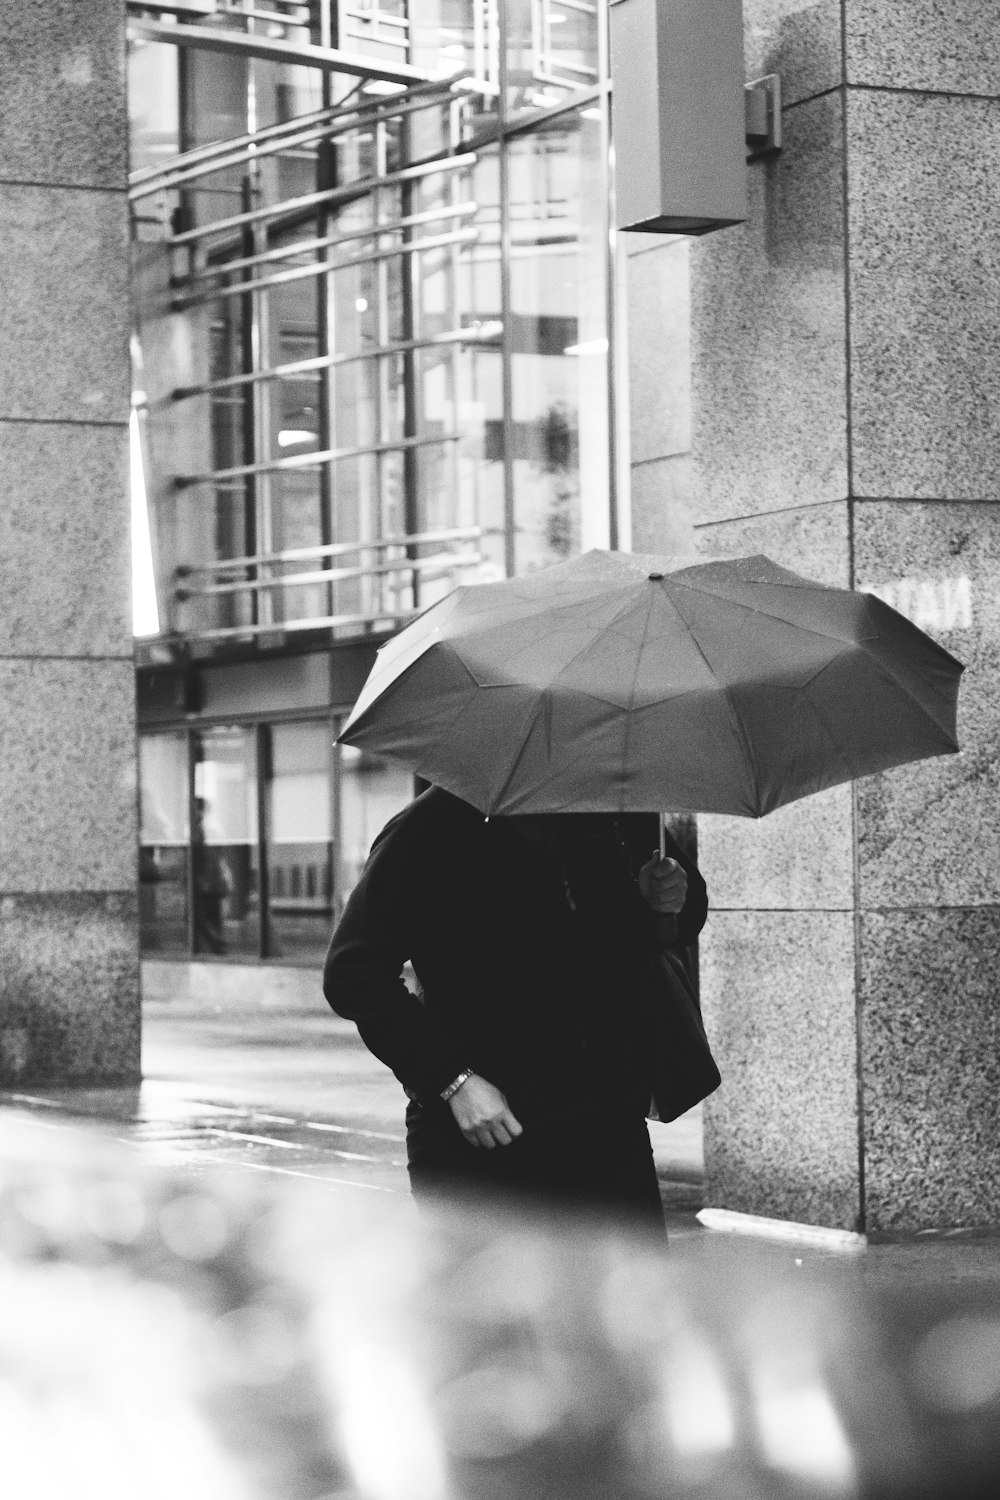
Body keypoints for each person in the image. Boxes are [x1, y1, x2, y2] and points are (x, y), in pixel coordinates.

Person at [323, 786, 708, 1232]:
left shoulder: (614, 813)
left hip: (607, 1128)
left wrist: (667, 899)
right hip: (489, 1131)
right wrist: (452, 1080)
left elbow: (677, 916)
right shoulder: (433, 826)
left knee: (628, 1296)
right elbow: (353, 972)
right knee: (494, 1299)